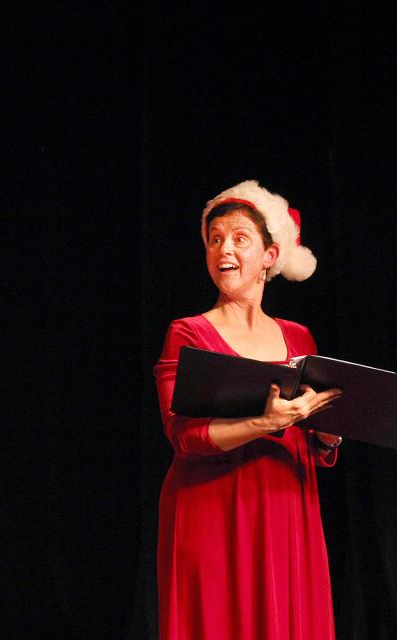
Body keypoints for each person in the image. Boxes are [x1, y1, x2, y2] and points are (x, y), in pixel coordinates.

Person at [154, 180, 343, 640]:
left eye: (240, 238)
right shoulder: (189, 334)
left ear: (269, 257)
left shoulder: (299, 338)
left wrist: (328, 434)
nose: (224, 249)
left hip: (285, 507)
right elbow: (183, 436)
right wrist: (264, 423)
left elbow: (312, 438)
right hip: (212, 507)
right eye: (215, 238)